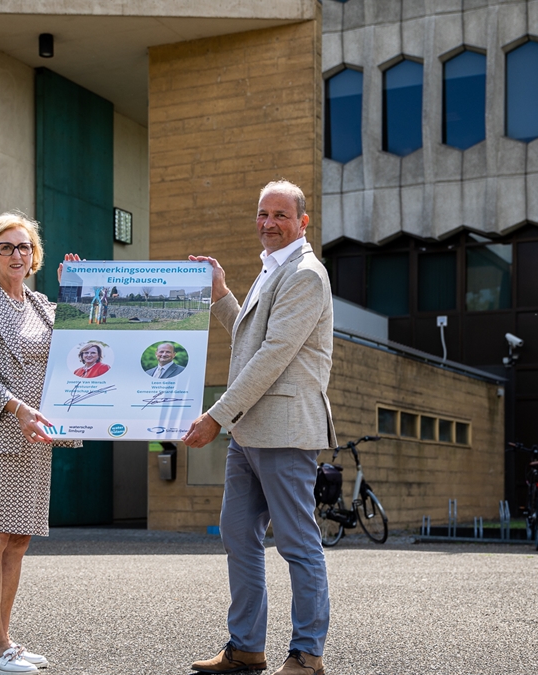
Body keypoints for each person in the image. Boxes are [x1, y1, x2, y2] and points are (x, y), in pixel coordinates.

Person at [183, 181, 337, 675]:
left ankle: (307, 653)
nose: (268, 223)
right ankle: (247, 647)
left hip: (285, 432)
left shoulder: (305, 274)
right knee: (237, 533)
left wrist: (215, 415)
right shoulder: (272, 269)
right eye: (262, 213)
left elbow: (272, 356)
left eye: (280, 215)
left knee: (297, 543)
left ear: (303, 222)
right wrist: (221, 294)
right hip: (249, 433)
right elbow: (250, 339)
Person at [0, 211, 82, 675]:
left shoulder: (42, 304)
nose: (16, 255)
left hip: (34, 437)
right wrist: (19, 408)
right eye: (6, 247)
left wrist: (75, 291)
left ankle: (4, 643)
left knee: (19, 541)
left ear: (34, 255)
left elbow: (79, 345)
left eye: (24, 246)